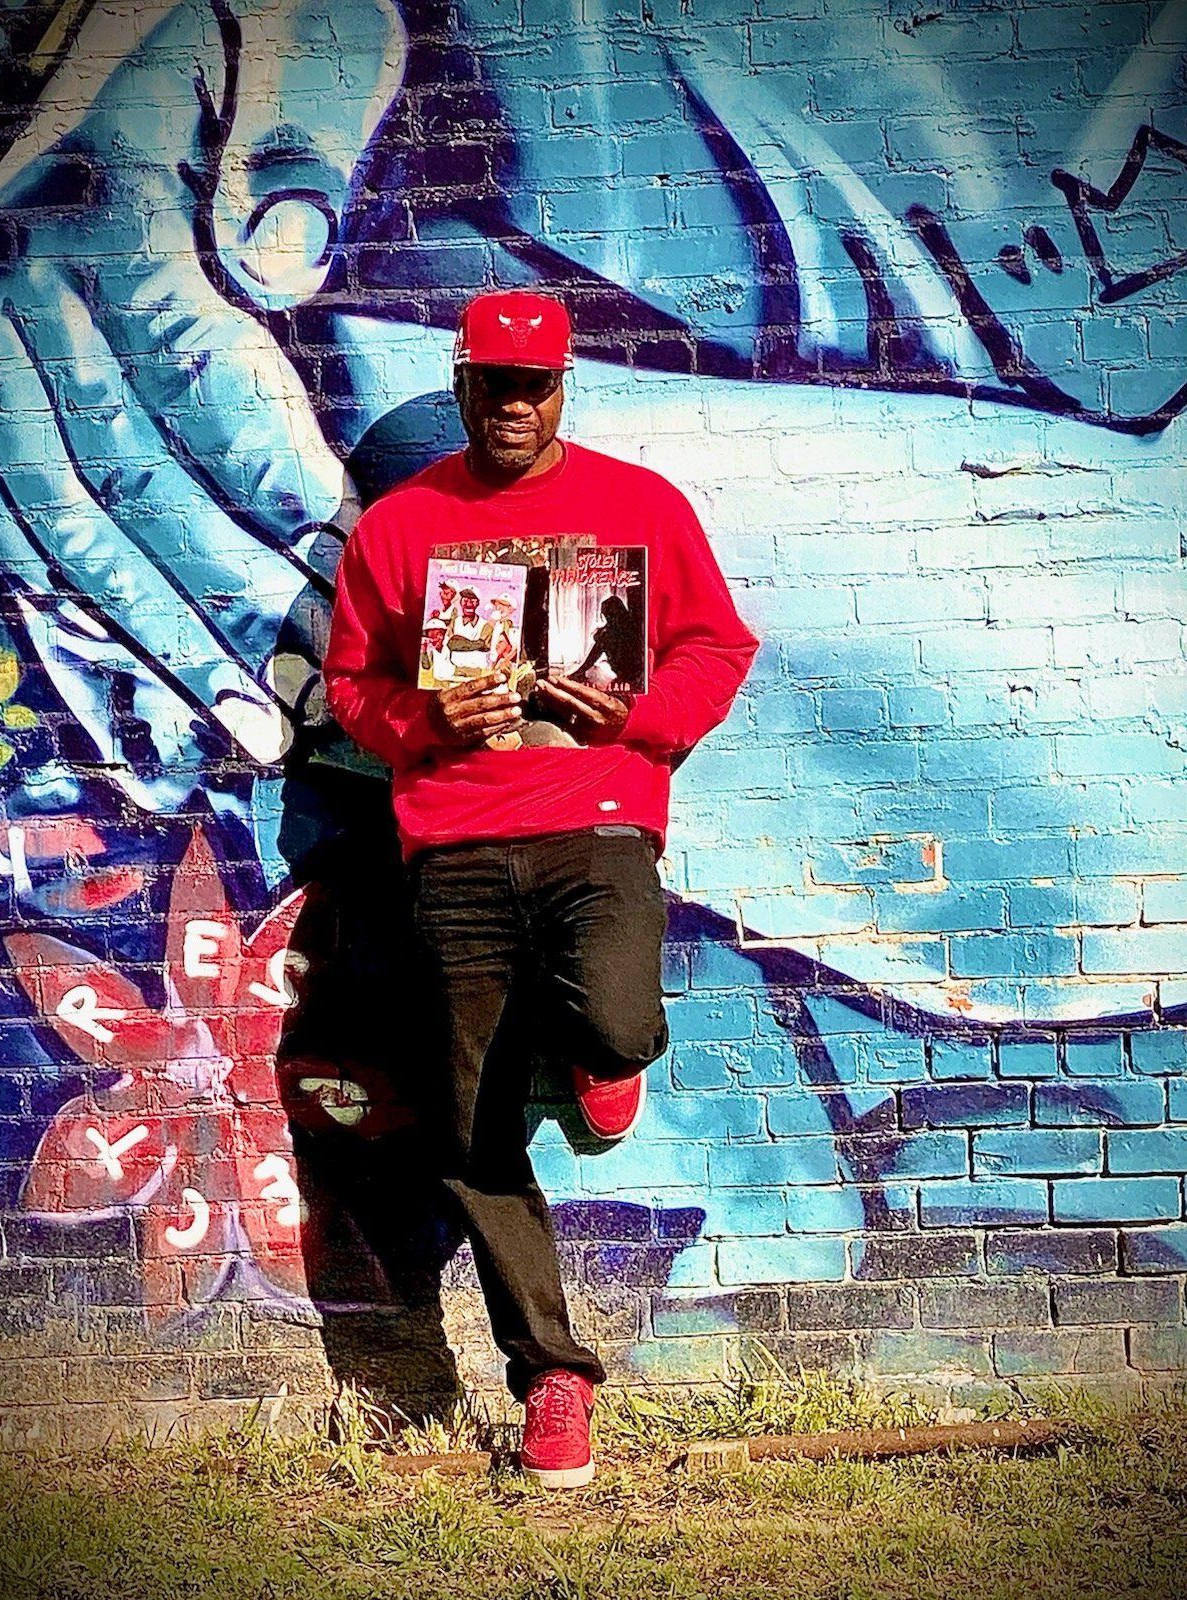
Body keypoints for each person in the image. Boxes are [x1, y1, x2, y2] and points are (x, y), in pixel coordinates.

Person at [324, 288, 757, 1490]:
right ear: (462, 383)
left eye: (538, 384)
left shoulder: (637, 505)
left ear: (564, 386)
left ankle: (596, 1055)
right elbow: (350, 682)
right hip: (454, 837)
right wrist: (420, 716)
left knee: (616, 1012)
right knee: (470, 1128)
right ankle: (553, 1377)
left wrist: (643, 717)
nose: (517, 403)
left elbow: (718, 644)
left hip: (599, 817)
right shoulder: (402, 527)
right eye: (495, 382)